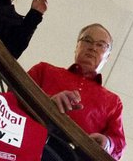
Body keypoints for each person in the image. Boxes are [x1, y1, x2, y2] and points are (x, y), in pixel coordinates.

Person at [28, 23, 125, 159]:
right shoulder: (44, 70)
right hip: (29, 145)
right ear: (76, 47)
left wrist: (108, 143)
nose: (92, 47)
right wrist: (47, 102)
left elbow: (119, 143)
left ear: (107, 56)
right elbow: (12, 96)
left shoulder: (113, 102)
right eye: (87, 40)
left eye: (101, 45)